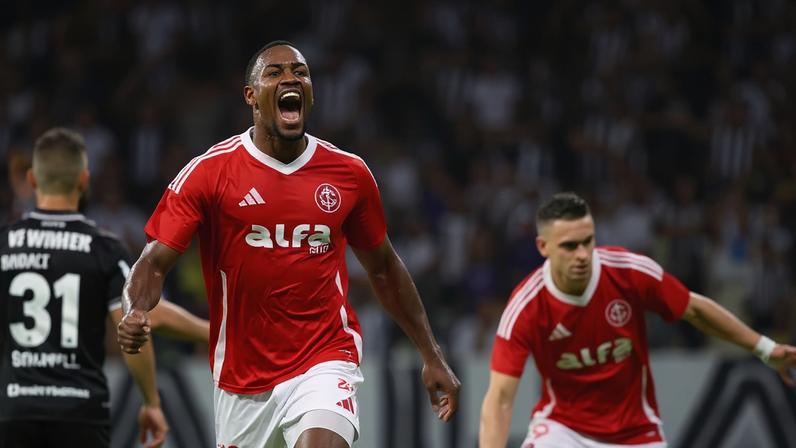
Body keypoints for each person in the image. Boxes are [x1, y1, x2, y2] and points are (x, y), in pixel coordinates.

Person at [117, 40, 461, 448]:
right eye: (275, 73)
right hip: (242, 382)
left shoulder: (348, 173)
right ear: (252, 96)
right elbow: (153, 263)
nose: (290, 79)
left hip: (325, 357)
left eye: (300, 73)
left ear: (311, 93)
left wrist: (431, 353)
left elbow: (384, 267)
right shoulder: (209, 173)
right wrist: (135, 309)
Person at [479, 192, 796, 448]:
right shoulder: (526, 306)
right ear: (543, 247)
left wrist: (766, 349)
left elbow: (695, 309)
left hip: (636, 434)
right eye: (569, 246)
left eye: (587, 241)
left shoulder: (628, 272)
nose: (582, 254)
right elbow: (500, 400)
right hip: (563, 431)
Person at [0, 127, 210, 448]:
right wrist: (151, 401)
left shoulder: (5, 244)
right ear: (84, 180)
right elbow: (141, 318)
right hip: (80, 411)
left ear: (32, 180)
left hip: (13, 408)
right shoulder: (103, 249)